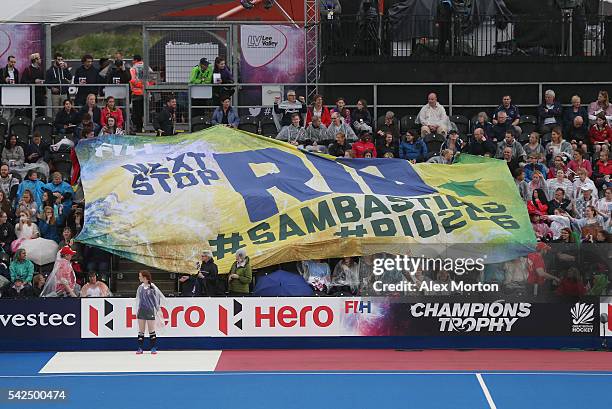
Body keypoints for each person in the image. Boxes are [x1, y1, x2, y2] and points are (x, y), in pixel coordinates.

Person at [135, 270, 164, 354]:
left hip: (150, 310)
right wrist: (137, 310)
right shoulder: (140, 288)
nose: (139, 277)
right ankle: (140, 348)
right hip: (141, 310)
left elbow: (157, 299)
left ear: (145, 277)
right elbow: (138, 299)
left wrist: (157, 310)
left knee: (152, 330)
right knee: (141, 330)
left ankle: (153, 348)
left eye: (140, 276)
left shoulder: (152, 287)